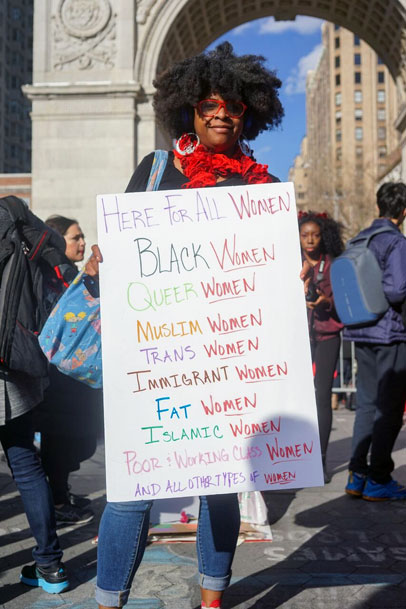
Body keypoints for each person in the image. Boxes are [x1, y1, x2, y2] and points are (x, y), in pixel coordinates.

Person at [86, 41, 284, 609]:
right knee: (131, 488)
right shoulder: (155, 170)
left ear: (251, 112)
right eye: (209, 104)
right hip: (156, 359)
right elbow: (120, 255)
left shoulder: (261, 188)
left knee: (220, 486)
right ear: (190, 109)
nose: (221, 113)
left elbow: (268, 279)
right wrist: (101, 264)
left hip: (226, 361)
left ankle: (212, 598)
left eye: (234, 107)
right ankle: (108, 601)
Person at [0, 203, 70, 593]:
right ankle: (51, 567)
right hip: (16, 360)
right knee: (26, 467)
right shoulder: (14, 216)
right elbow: (56, 248)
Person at [34, 214, 101, 525]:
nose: (83, 243)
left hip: (75, 377)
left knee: (77, 439)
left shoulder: (68, 273)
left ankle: (60, 493)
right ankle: (57, 502)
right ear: (58, 240)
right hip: (58, 378)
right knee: (61, 441)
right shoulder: (51, 276)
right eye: (76, 237)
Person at [344, 182, 406, 500]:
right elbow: (396, 290)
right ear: (404, 211)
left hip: (360, 330)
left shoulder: (360, 238)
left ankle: (357, 475)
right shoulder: (395, 242)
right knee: (390, 408)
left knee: (366, 404)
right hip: (390, 333)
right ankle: (380, 478)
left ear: (379, 205)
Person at [298, 211, 344, 483]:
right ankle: (297, 457)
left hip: (328, 335)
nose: (311, 240)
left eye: (315, 235)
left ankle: (321, 460)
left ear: (323, 235)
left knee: (322, 396)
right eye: (305, 235)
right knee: (300, 398)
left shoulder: (334, 265)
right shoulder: (293, 264)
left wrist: (326, 301)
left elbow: (342, 303)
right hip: (300, 336)